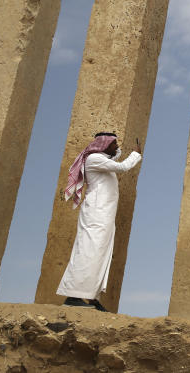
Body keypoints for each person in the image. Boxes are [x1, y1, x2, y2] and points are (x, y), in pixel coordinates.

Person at [57, 132, 142, 311]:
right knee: (88, 251)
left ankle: (91, 297)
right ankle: (73, 296)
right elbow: (123, 167)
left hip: (104, 213)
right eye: (114, 143)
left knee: (100, 253)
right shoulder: (95, 159)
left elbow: (114, 156)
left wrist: (117, 150)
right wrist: (136, 153)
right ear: (104, 145)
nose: (116, 146)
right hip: (96, 212)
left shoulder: (101, 159)